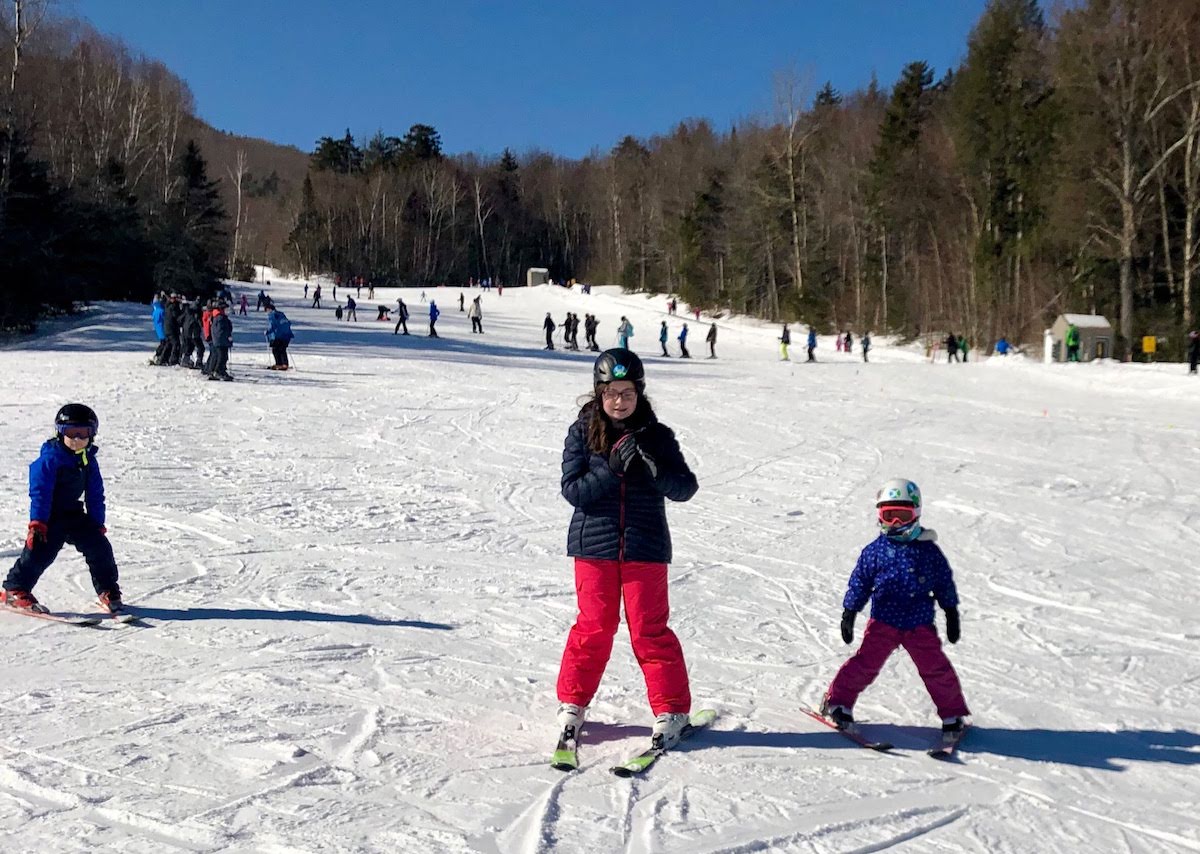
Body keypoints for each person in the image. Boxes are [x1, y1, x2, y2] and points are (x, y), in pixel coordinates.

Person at [555, 348, 699, 753]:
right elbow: (573, 491)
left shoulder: (657, 435)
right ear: (599, 394)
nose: (620, 401)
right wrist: (611, 467)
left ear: (640, 393)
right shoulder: (582, 432)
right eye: (612, 393)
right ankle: (572, 702)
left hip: (645, 545)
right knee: (594, 626)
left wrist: (657, 471)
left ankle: (672, 710)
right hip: (593, 547)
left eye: (628, 393)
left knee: (649, 630)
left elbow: (685, 488)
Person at [820, 479, 969, 742]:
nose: (896, 524)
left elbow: (944, 581)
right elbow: (860, 582)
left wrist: (951, 611)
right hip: (883, 622)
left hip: (919, 624)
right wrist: (850, 611)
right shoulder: (874, 552)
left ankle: (952, 715)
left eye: (902, 516)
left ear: (916, 514)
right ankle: (838, 702)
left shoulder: (929, 552)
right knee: (865, 664)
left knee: (936, 669)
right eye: (889, 516)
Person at [1, 404, 122, 613]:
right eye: (70, 432)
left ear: (92, 434)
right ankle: (15, 588)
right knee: (41, 550)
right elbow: (40, 493)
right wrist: (37, 523)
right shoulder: (49, 460)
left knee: (99, 547)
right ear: (60, 432)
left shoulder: (88, 461)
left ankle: (108, 590)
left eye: (83, 433)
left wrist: (97, 523)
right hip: (50, 515)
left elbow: (95, 494)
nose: (76, 439)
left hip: (73, 513)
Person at [208, 301, 234, 381]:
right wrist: (227, 337)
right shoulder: (220, 317)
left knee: (223, 356)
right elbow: (221, 330)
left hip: (221, 340)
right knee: (221, 357)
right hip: (220, 341)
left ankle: (220, 371)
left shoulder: (219, 317)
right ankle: (218, 371)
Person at [265, 305, 294, 370]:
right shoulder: (281, 314)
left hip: (278, 335)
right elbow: (288, 323)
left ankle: (280, 363)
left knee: (276, 350)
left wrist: (267, 332)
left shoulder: (272, 315)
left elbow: (273, 325)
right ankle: (283, 364)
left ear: (269, 309)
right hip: (287, 335)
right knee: (282, 349)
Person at [150, 292, 167, 365]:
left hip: (158, 329)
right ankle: (158, 354)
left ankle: (159, 355)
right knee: (164, 343)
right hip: (162, 329)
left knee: (163, 342)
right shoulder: (161, 310)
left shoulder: (155, 310)